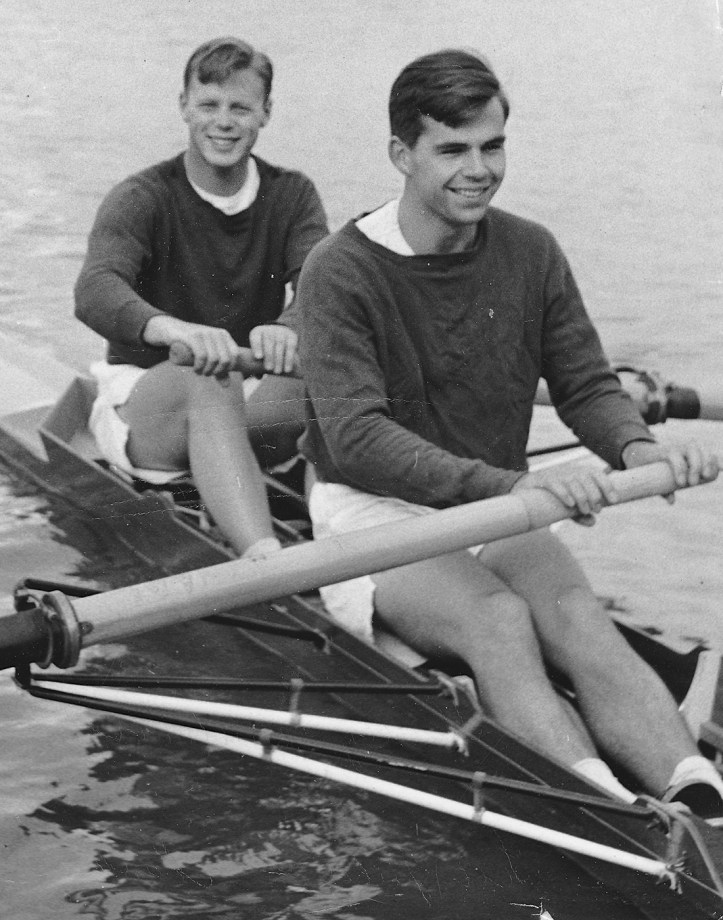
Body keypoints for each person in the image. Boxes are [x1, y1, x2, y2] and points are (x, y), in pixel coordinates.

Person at [295, 49, 723, 815]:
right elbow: (357, 437)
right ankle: (609, 816)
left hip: (496, 500)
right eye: (451, 149)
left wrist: (638, 450)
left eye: (492, 146)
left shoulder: (529, 250)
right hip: (374, 510)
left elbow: (586, 385)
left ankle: (698, 792)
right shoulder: (339, 271)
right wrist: (512, 485)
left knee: (574, 615)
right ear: (401, 154)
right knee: (498, 620)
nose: (478, 169)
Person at [75, 37, 328, 558]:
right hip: (150, 401)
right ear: (184, 107)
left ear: (266, 113)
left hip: (242, 390)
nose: (224, 121)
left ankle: (345, 530)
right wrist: (176, 331)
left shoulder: (292, 194)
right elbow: (95, 290)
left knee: (342, 367)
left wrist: (291, 324)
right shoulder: (142, 197)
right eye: (209, 105)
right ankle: (267, 559)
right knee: (208, 376)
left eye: (241, 107)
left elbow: (321, 286)